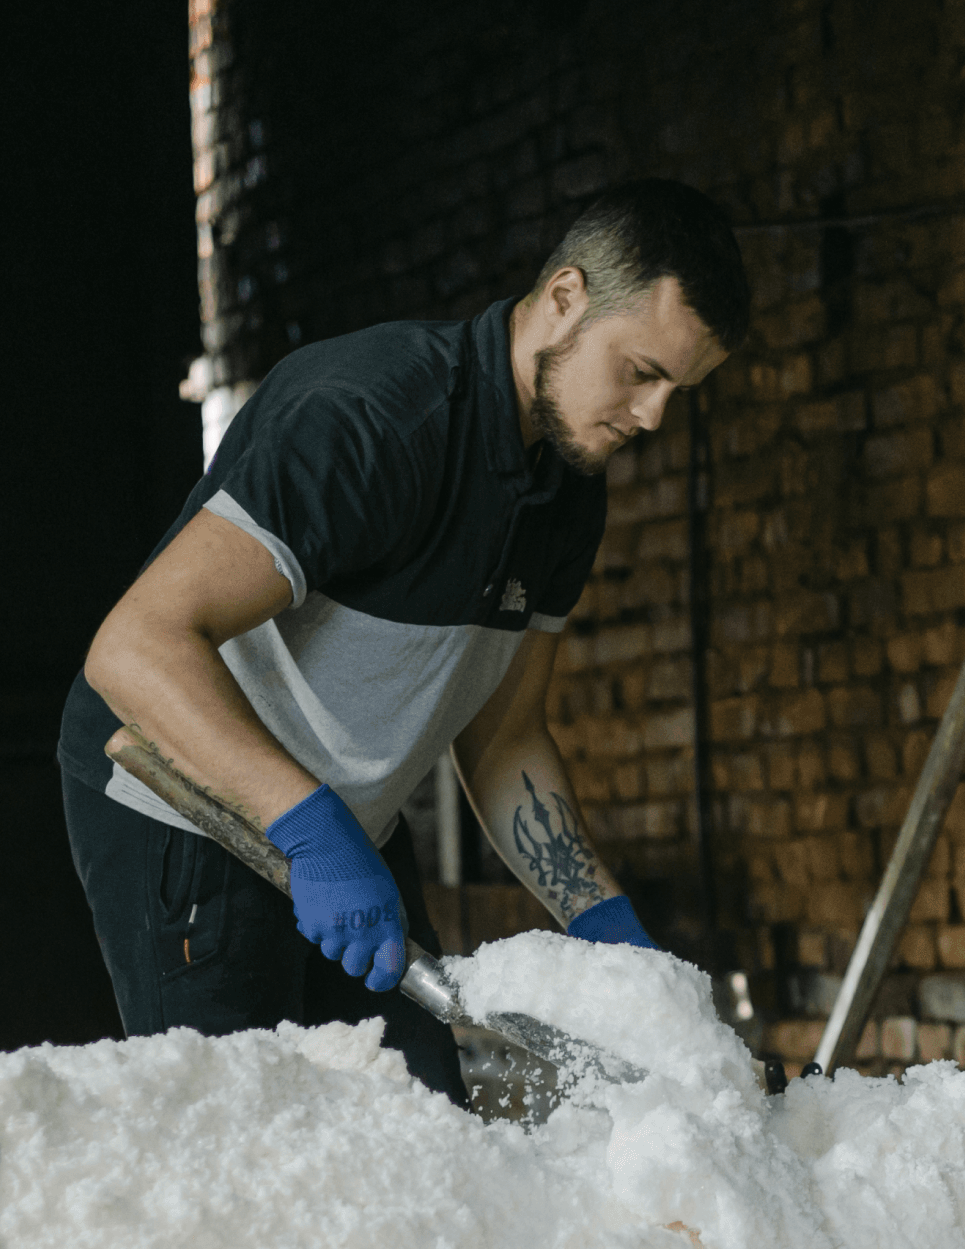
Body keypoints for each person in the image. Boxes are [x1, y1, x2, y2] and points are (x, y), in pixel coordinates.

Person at [57, 179, 749, 1104]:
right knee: (246, 1137)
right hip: (186, 803)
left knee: (420, 1125)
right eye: (642, 372)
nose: (654, 417)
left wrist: (603, 921)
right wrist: (311, 832)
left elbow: (504, 738)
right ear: (565, 298)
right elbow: (135, 647)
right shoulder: (376, 419)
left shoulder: (567, 488)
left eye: (678, 390)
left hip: (344, 827)